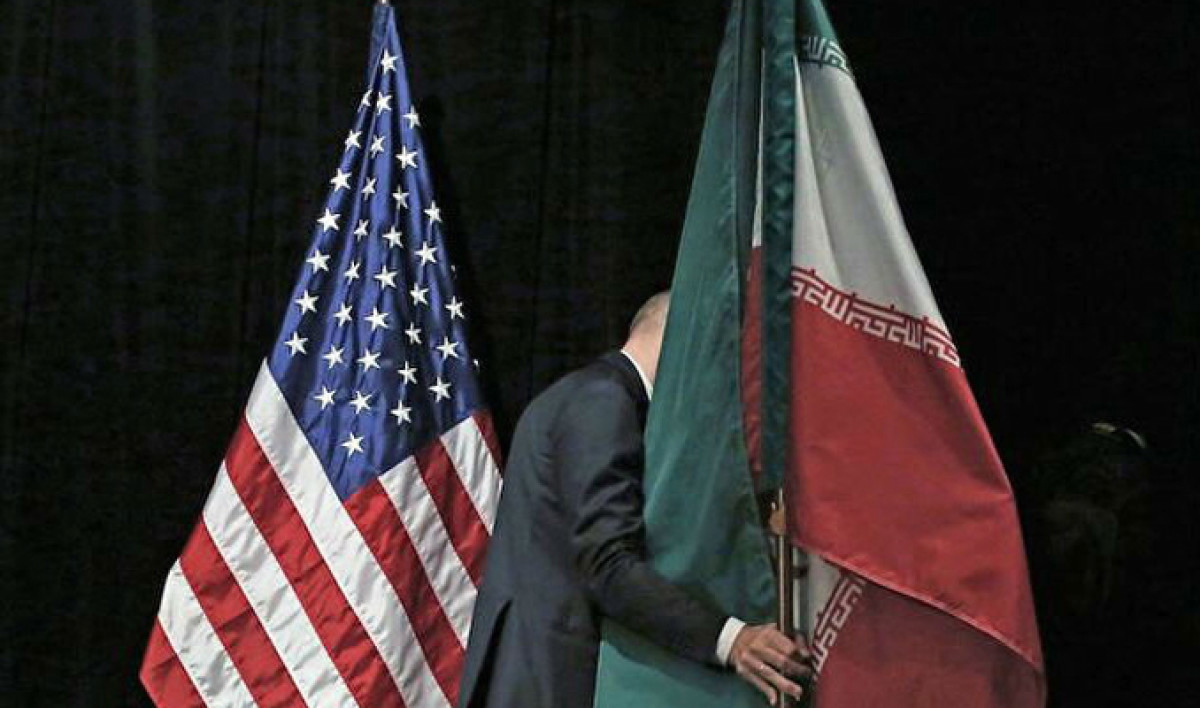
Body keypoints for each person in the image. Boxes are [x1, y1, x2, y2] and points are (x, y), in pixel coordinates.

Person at [456, 292, 809, 708]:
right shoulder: (603, 400)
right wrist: (733, 641)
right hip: (550, 681)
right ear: (683, 341)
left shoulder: (587, 396)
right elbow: (607, 564)